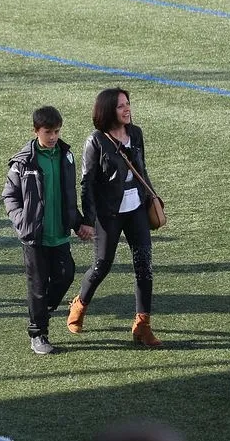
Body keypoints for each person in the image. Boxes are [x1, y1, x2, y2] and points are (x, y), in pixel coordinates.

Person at [68, 87, 161, 346]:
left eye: (128, 104)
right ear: (108, 110)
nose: (127, 109)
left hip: (137, 209)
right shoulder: (96, 141)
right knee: (102, 265)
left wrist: (153, 196)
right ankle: (80, 304)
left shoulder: (136, 133)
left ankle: (143, 325)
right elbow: (87, 183)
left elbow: (142, 168)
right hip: (109, 212)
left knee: (144, 266)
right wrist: (88, 219)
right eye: (121, 106)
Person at [2, 106, 94, 354]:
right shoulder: (23, 161)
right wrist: (21, 221)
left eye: (56, 131)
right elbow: (9, 196)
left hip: (59, 233)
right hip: (35, 237)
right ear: (36, 131)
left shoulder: (66, 156)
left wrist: (79, 222)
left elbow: (69, 195)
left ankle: (42, 310)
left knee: (66, 273)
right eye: (48, 132)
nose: (53, 136)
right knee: (37, 285)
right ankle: (38, 333)